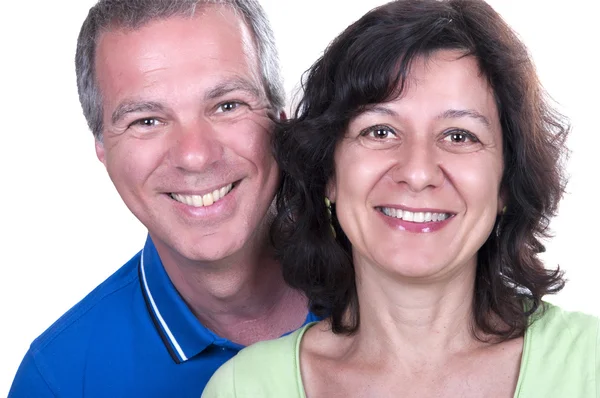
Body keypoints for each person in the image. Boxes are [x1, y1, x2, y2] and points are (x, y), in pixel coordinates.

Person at [203, 0, 600, 396]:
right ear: (329, 173)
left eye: (459, 136)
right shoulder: (246, 387)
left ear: (506, 183)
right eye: (380, 132)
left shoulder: (590, 364)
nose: (417, 172)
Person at [8, 0, 317, 396]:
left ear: (280, 119)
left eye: (227, 105)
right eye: (147, 121)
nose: (195, 155)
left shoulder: (395, 284)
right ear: (103, 149)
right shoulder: (60, 381)